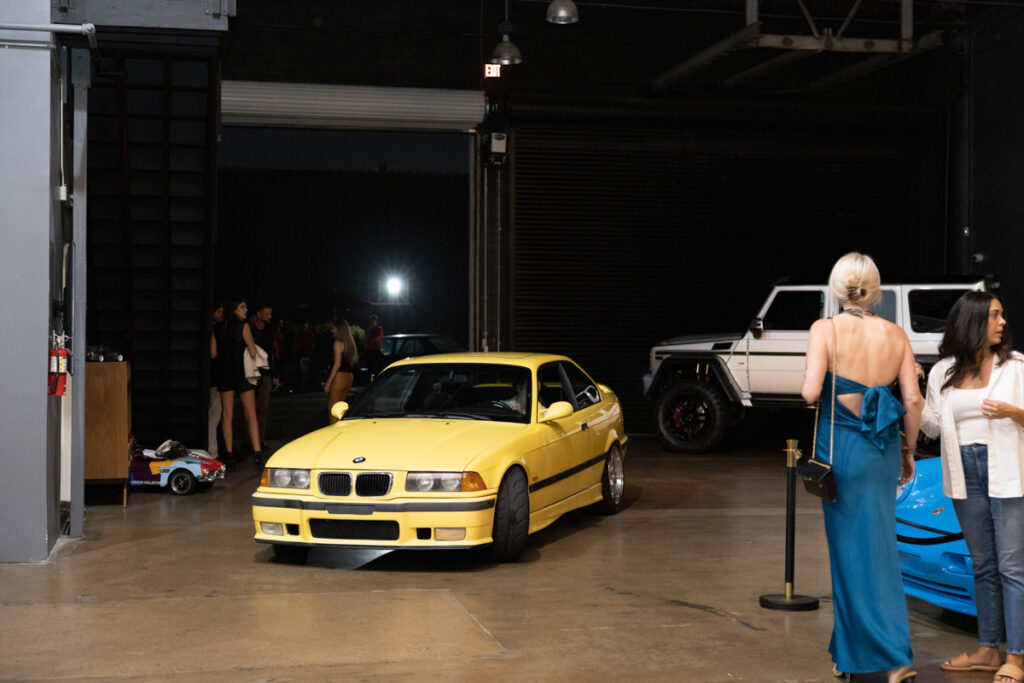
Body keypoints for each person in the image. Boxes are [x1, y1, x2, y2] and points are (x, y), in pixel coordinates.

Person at [800, 252, 923, 683]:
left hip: (842, 450)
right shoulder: (896, 334)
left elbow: (811, 392)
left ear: (837, 287)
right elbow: (911, 400)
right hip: (882, 448)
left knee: (848, 554)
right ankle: (851, 653)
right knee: (879, 549)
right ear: (875, 288)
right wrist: (908, 449)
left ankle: (890, 655)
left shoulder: (824, 330)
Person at [922, 291, 1024, 683]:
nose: (1002, 322)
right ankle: (987, 650)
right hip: (963, 472)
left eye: (1002, 315)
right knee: (983, 565)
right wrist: (913, 400)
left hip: (1008, 471)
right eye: (994, 315)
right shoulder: (943, 370)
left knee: (1012, 566)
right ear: (973, 320)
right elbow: (933, 427)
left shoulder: (1015, 366)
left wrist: (1013, 411)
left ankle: (1015, 656)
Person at [213, 298, 263, 465]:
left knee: (227, 415)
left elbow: (213, 354)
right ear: (234, 309)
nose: (246, 310)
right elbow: (252, 349)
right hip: (242, 374)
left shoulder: (217, 328)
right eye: (242, 307)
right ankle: (257, 452)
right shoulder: (243, 326)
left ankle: (229, 454)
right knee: (251, 414)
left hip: (224, 374)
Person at [251, 303, 280, 445]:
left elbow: (272, 353)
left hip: (267, 372)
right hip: (252, 372)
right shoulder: (249, 328)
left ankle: (261, 439)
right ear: (258, 314)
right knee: (251, 408)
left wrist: (275, 374)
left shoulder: (269, 330)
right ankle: (249, 440)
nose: (269, 317)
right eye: (266, 314)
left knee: (263, 408)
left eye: (270, 314)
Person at [325, 319, 358, 424]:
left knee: (333, 410)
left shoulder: (337, 343)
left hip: (339, 377)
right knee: (340, 410)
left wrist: (328, 383)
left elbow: (337, 364)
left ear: (339, 329)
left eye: (333, 328)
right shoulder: (350, 343)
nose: (332, 330)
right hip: (349, 377)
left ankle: (334, 436)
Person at [207, 303, 224, 458]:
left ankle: (213, 451)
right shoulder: (214, 330)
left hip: (212, 378)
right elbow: (213, 354)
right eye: (218, 311)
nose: (221, 314)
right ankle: (213, 452)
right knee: (214, 418)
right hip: (214, 380)